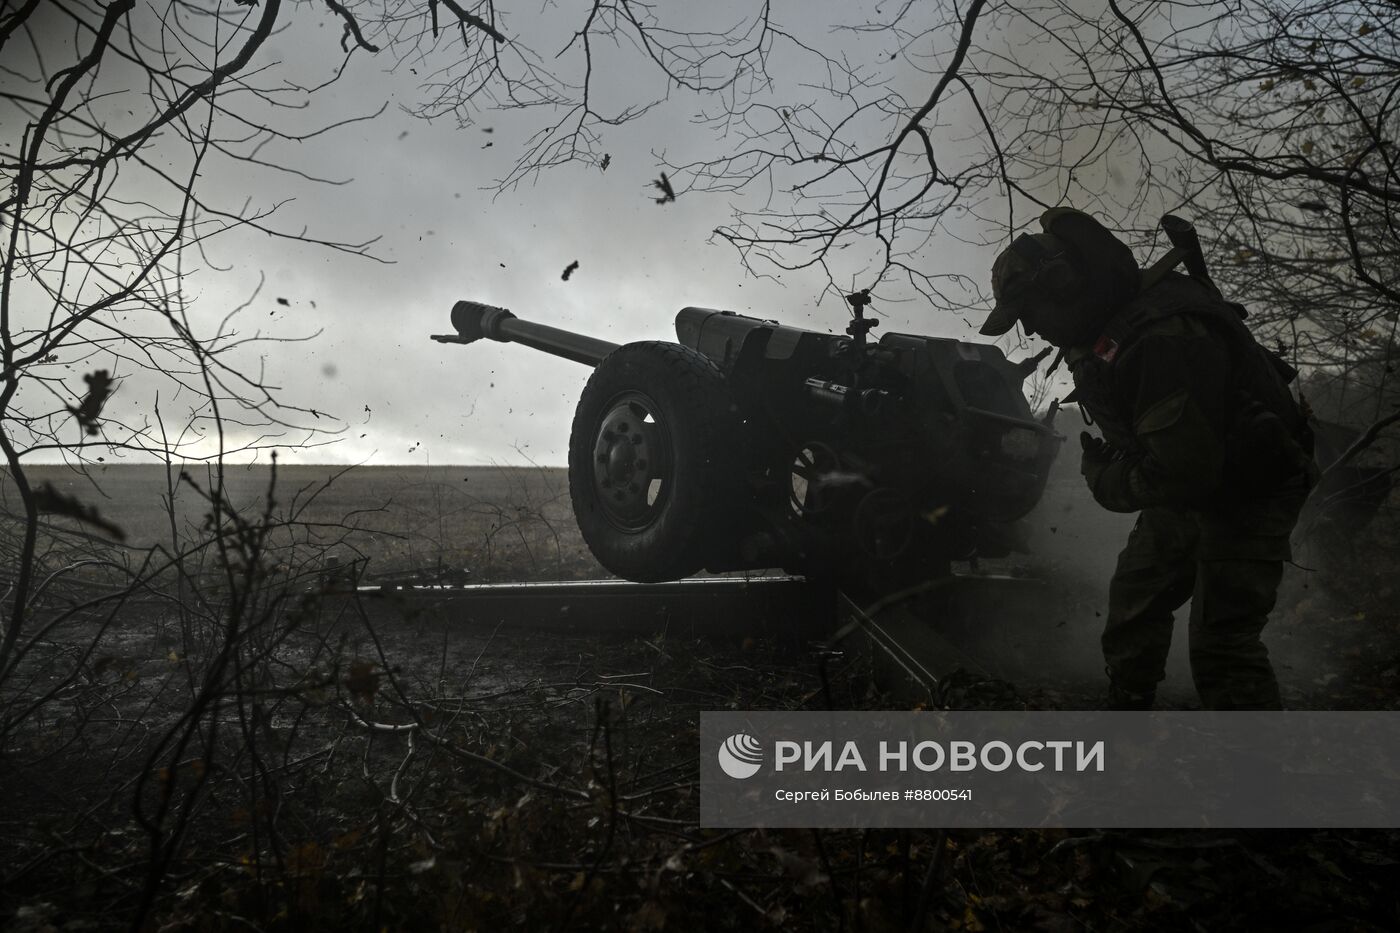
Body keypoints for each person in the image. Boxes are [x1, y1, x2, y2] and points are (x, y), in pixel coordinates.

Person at [980, 208, 1316, 710]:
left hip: (1252, 489)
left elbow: (1183, 471)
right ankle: (1129, 715)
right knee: (1137, 595)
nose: (1030, 329)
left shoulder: (1160, 339)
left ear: (1064, 285)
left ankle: (1260, 778)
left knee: (1223, 645)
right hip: (1199, 477)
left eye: (1030, 310)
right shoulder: (1113, 327)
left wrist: (1106, 479)